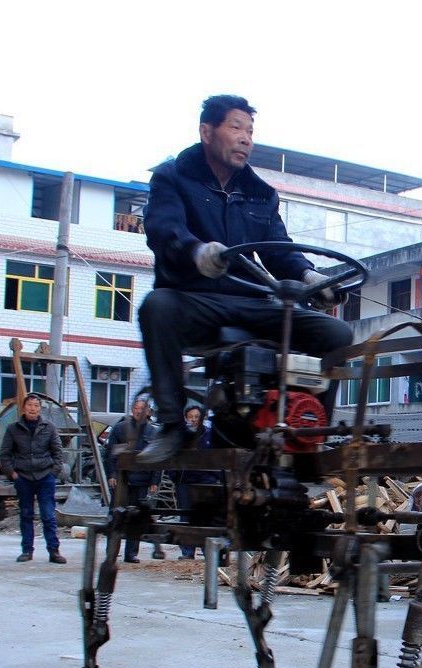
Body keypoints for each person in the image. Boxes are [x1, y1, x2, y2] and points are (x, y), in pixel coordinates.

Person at [137, 94, 354, 463]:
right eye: (236, 127)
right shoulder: (171, 177)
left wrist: (310, 276)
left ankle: (309, 431)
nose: (246, 138)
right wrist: (195, 251)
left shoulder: (260, 193)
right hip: (195, 299)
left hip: (250, 301)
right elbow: (163, 228)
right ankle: (172, 425)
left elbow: (278, 249)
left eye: (250, 131)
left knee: (336, 334)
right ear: (207, 131)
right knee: (156, 307)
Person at [0, 393, 66, 564]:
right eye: (30, 405)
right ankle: (27, 550)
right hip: (24, 477)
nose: (33, 409)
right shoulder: (13, 428)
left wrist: (53, 472)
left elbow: (58, 452)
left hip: (45, 477)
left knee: (48, 515)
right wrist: (13, 474)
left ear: (40, 408)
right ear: (24, 407)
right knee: (26, 514)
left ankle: (54, 551)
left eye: (36, 406)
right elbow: (5, 454)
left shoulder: (49, 427)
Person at [103, 396, 160, 562]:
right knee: (116, 515)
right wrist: (111, 475)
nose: (138, 411)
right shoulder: (120, 429)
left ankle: (131, 553)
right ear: (132, 410)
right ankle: (111, 551)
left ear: (148, 412)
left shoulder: (153, 432)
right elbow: (110, 455)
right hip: (122, 481)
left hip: (142, 481)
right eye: (136, 408)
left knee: (136, 517)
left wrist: (155, 481)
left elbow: (157, 459)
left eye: (142, 409)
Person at [173, 404, 216, 559]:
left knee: (205, 516)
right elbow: (173, 456)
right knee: (185, 516)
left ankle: (208, 551)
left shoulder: (209, 434)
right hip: (185, 480)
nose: (193, 419)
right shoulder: (181, 436)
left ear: (202, 417)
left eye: (196, 416)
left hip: (205, 481)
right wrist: (175, 477)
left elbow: (216, 458)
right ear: (186, 418)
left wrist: (214, 478)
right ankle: (187, 552)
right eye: (190, 416)